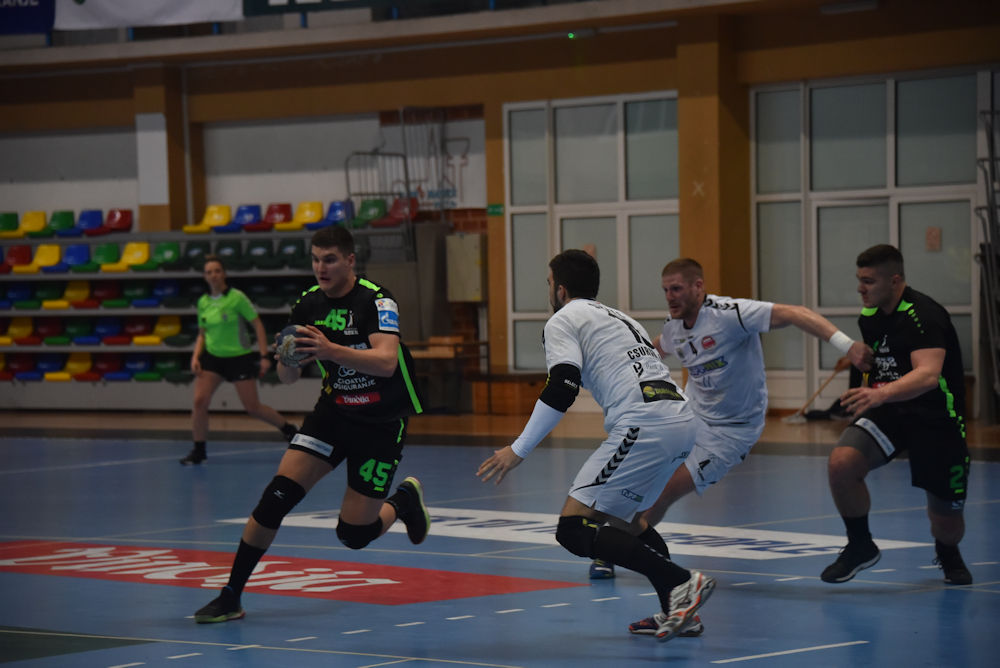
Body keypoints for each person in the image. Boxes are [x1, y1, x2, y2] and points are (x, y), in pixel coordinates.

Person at [589, 257, 873, 638]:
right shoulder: (675, 327)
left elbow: (796, 313)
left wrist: (847, 345)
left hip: (731, 433)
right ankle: (623, 554)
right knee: (634, 479)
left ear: (698, 286)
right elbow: (657, 349)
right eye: (666, 290)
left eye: (677, 288)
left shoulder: (730, 314)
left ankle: (640, 569)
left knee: (663, 492)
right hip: (690, 417)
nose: (670, 296)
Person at [193, 226, 430, 623]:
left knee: (353, 535)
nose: (321, 268)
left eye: (330, 260)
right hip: (333, 415)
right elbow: (287, 379)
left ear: (350, 261)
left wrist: (330, 349)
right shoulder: (307, 304)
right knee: (275, 499)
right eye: (316, 260)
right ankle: (231, 595)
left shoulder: (376, 300)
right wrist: (287, 358)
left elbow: (387, 361)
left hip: (381, 423)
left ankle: (403, 501)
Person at [477, 249, 715, 643]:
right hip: (680, 420)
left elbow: (563, 385)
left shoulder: (563, 319)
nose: (549, 290)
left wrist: (518, 449)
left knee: (573, 529)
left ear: (560, 289)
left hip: (644, 424)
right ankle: (679, 609)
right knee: (629, 522)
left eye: (549, 283)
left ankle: (680, 582)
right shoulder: (620, 317)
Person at [822, 244, 972, 585]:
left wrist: (880, 393)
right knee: (842, 464)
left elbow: (928, 375)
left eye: (869, 281)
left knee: (947, 522)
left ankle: (948, 551)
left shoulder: (925, 315)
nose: (860, 289)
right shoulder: (870, 315)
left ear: (895, 280)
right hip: (890, 412)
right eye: (859, 280)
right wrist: (864, 361)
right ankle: (860, 544)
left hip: (936, 419)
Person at [180, 255, 298, 465]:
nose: (213, 275)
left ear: (224, 274)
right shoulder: (203, 302)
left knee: (252, 407)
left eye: (217, 271)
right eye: (209, 272)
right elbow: (202, 333)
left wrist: (263, 355)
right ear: (205, 277)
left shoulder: (237, 298)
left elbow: (257, 324)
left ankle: (288, 429)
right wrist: (196, 356)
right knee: (199, 401)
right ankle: (199, 450)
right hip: (213, 358)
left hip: (239, 358)